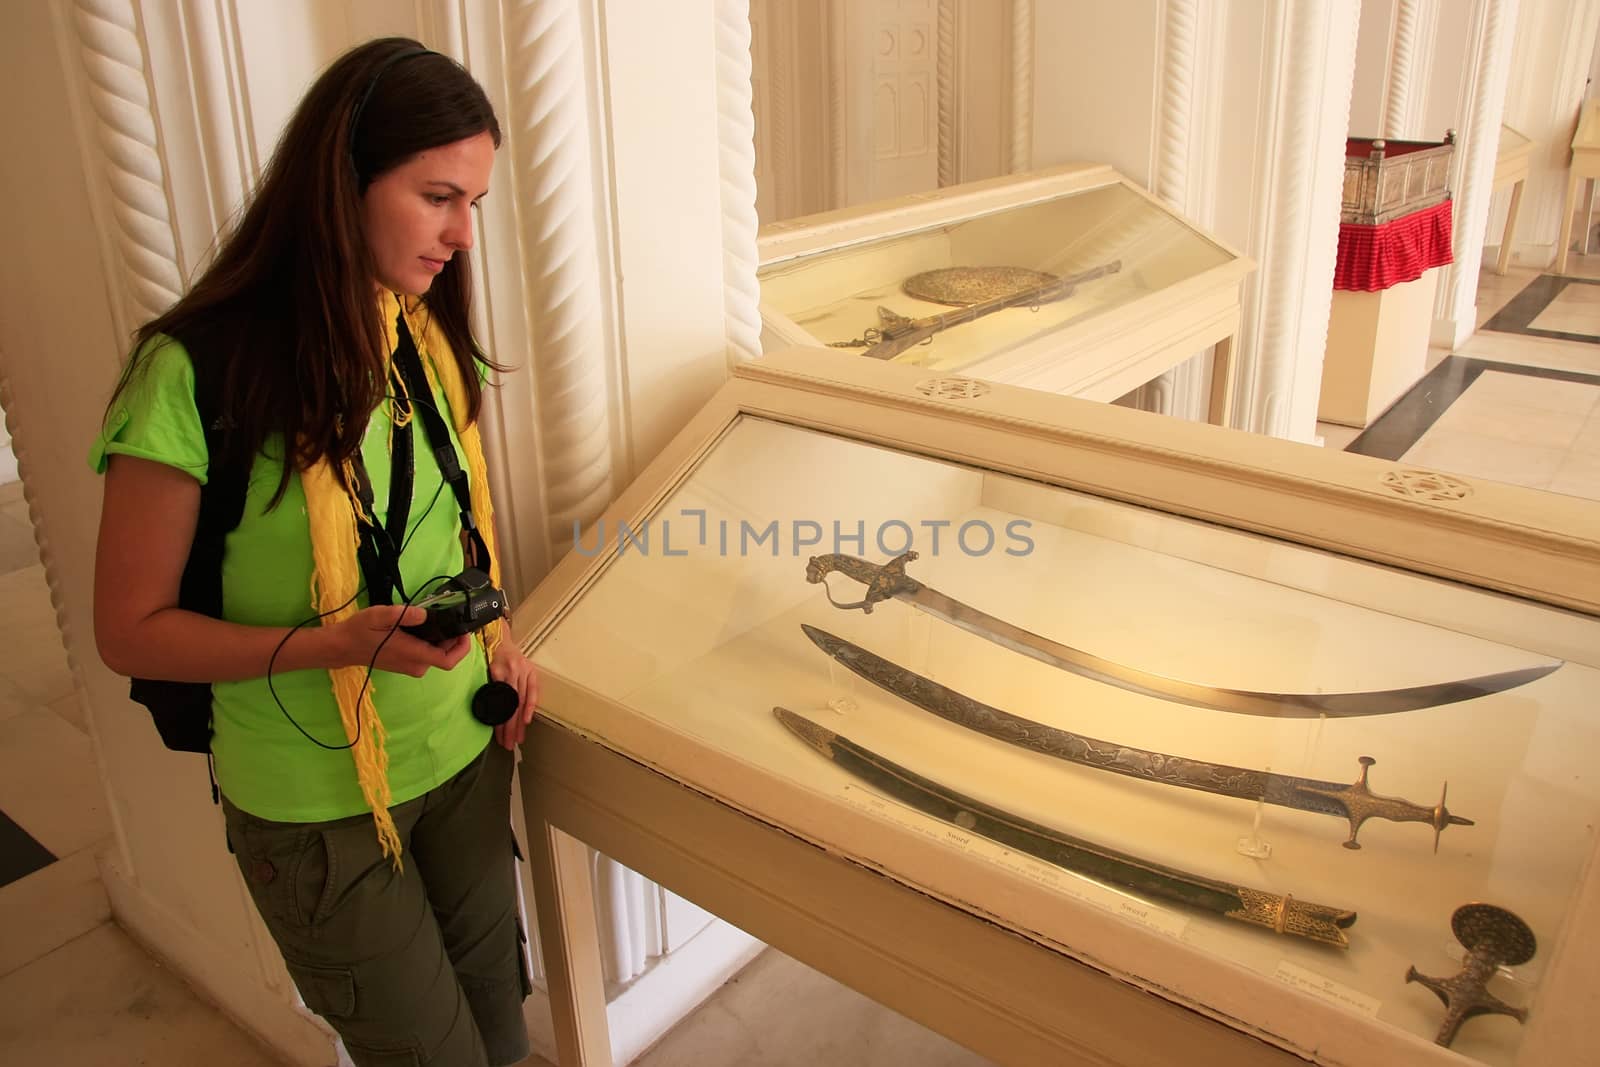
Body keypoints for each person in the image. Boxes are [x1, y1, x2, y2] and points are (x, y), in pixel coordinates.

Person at [90, 37, 537, 1067]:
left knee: (502, 1034)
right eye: (437, 197)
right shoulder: (192, 369)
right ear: (341, 181)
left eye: (473, 203)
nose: (462, 235)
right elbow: (130, 631)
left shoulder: (421, 331)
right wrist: (336, 644)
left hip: (464, 753)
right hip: (315, 803)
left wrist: (497, 635)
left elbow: (458, 524)